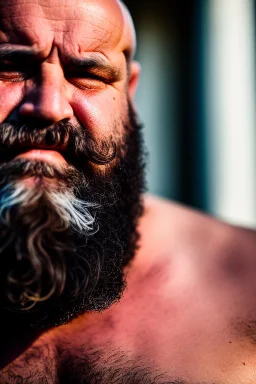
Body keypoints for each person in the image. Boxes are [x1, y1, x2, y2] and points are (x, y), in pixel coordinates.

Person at [0, 0, 255, 383]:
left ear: (130, 95)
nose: (50, 106)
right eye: (10, 67)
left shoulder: (245, 284)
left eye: (89, 74)